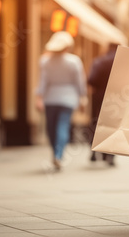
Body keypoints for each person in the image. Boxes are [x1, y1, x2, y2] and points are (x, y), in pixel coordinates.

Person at [36, 31, 88, 171]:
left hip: (50, 98)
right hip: (68, 98)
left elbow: (42, 82)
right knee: (62, 127)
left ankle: (56, 153)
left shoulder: (45, 61)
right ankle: (58, 155)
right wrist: (83, 97)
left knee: (51, 128)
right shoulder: (74, 61)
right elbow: (80, 82)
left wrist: (39, 97)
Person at [88, 43, 117, 166]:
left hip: (99, 97)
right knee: (112, 125)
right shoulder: (122, 63)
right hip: (117, 98)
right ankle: (109, 155)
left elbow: (91, 80)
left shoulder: (99, 61)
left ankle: (94, 152)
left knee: (96, 123)